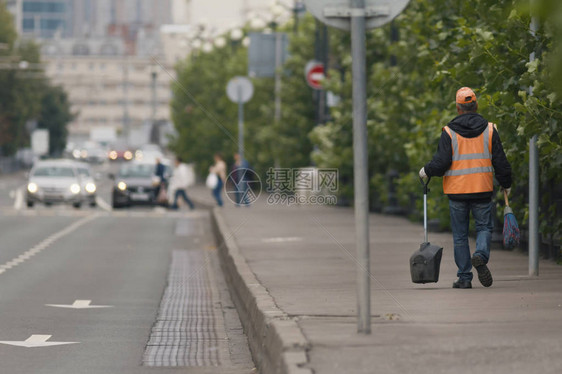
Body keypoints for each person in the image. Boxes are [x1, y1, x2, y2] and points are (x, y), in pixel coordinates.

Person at [419, 87, 512, 289]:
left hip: (457, 192)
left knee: (460, 235)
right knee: (484, 228)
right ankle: (480, 255)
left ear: (458, 107)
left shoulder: (449, 132)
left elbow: (442, 162)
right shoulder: (490, 130)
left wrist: (426, 170)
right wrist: (506, 183)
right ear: (476, 105)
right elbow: (500, 161)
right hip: (482, 189)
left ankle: (464, 278)